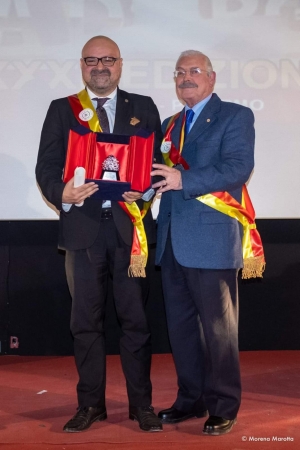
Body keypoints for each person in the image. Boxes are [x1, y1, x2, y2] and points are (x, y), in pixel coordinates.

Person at [36, 36, 163, 433]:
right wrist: (62, 193)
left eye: (107, 59)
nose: (100, 66)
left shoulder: (143, 106)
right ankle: (91, 405)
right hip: (82, 232)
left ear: (120, 64)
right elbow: (46, 167)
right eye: (92, 61)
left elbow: (156, 162)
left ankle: (141, 405)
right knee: (85, 325)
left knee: (136, 322)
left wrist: (143, 188)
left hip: (130, 231)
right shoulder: (62, 110)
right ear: (82, 66)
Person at [151, 50, 255, 436]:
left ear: (211, 78)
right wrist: (139, 192)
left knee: (218, 330)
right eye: (179, 72)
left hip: (212, 239)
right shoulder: (169, 124)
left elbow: (238, 168)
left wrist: (184, 181)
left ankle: (224, 404)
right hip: (172, 241)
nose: (185, 77)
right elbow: (160, 176)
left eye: (194, 71)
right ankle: (190, 399)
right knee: (181, 329)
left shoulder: (235, 116)